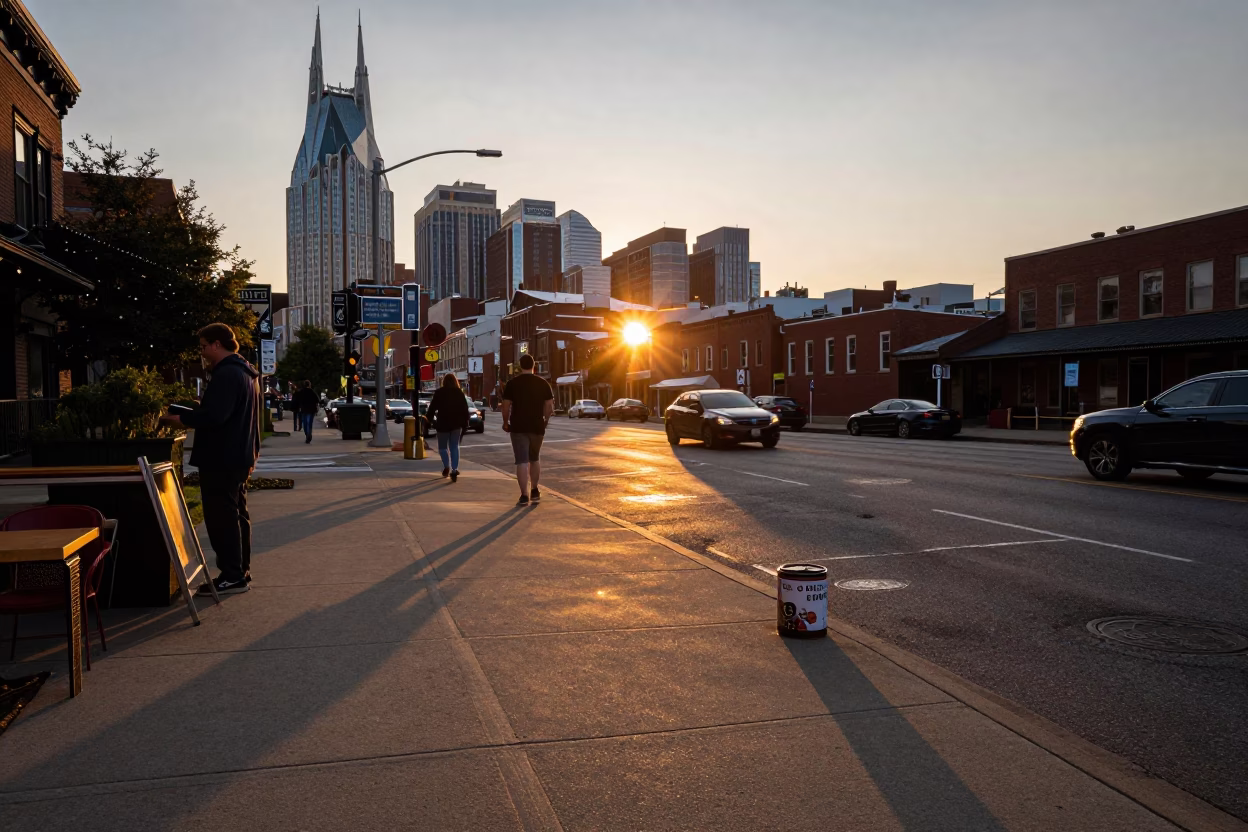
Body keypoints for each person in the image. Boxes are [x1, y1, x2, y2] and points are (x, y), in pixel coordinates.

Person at [162, 323, 260, 595]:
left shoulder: (228, 374)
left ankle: (232, 576)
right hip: (238, 455)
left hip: (222, 457)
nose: (203, 352)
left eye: (204, 346)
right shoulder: (245, 373)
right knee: (236, 515)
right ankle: (240, 572)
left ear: (217, 344)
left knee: (222, 519)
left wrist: (182, 418)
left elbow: (216, 416)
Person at [501, 353, 553, 506]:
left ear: (519, 367)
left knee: (521, 461)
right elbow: (549, 407)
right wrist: (545, 421)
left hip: (518, 427)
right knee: (535, 458)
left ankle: (524, 495)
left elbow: (505, 406)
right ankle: (535, 490)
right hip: (537, 426)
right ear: (533, 366)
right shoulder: (543, 383)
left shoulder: (512, 384)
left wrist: (506, 422)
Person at [425, 373, 470, 481]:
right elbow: (465, 409)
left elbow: (432, 408)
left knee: (442, 448)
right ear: (455, 381)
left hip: (443, 424)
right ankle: (454, 469)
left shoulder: (439, 393)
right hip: (456, 424)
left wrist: (428, 420)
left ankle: (446, 465)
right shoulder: (459, 393)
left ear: (443, 382)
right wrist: (465, 422)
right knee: (454, 446)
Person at [292, 380, 319, 444]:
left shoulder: (301, 392)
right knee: (309, 423)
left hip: (303, 409)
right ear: (309, 385)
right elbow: (317, 400)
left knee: (305, 423)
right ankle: (309, 434)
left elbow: (297, 400)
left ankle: (307, 435)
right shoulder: (312, 392)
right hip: (311, 409)